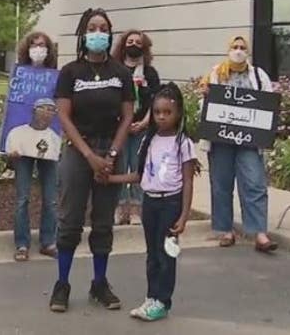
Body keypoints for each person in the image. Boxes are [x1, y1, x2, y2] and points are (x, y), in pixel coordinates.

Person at [49, 8, 135, 313]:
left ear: (109, 34)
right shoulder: (71, 72)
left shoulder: (121, 73)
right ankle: (62, 283)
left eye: (103, 28)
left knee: (103, 221)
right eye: (92, 27)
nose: (98, 32)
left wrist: (111, 155)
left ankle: (99, 282)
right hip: (78, 151)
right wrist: (88, 155)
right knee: (70, 220)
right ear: (84, 34)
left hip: (110, 149)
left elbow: (127, 117)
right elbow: (62, 114)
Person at [106, 83, 196, 322]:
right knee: (152, 253)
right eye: (157, 112)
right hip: (151, 203)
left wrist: (184, 215)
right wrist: (112, 178)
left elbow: (188, 181)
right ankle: (151, 296)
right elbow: (139, 176)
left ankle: (162, 301)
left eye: (168, 112)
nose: (162, 117)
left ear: (178, 113)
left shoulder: (183, 143)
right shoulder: (150, 140)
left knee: (166, 254)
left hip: (171, 203)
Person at [200, 36, 277, 253]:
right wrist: (205, 96)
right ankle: (225, 229)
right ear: (228, 50)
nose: (239, 50)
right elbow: (205, 105)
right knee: (221, 185)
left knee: (254, 183)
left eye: (243, 47)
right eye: (235, 47)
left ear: (248, 52)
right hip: (221, 138)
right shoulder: (216, 73)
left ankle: (260, 233)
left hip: (249, 141)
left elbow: (268, 104)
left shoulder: (259, 76)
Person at [6, 30, 61, 262]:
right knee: (22, 198)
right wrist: (9, 146)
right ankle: (21, 243)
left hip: (50, 144)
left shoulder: (56, 78)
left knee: (51, 197)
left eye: (43, 45)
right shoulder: (19, 76)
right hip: (23, 148)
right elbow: (12, 110)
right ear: (27, 49)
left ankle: (48, 241)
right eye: (34, 45)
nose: (38, 49)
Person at [111, 30, 161, 225]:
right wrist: (122, 123)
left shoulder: (150, 72)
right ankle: (119, 207)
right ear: (123, 45)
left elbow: (156, 100)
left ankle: (135, 209)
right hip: (119, 127)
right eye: (130, 41)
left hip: (142, 126)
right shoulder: (115, 70)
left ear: (144, 46)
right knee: (121, 167)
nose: (133, 44)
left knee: (139, 166)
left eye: (138, 42)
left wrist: (144, 122)